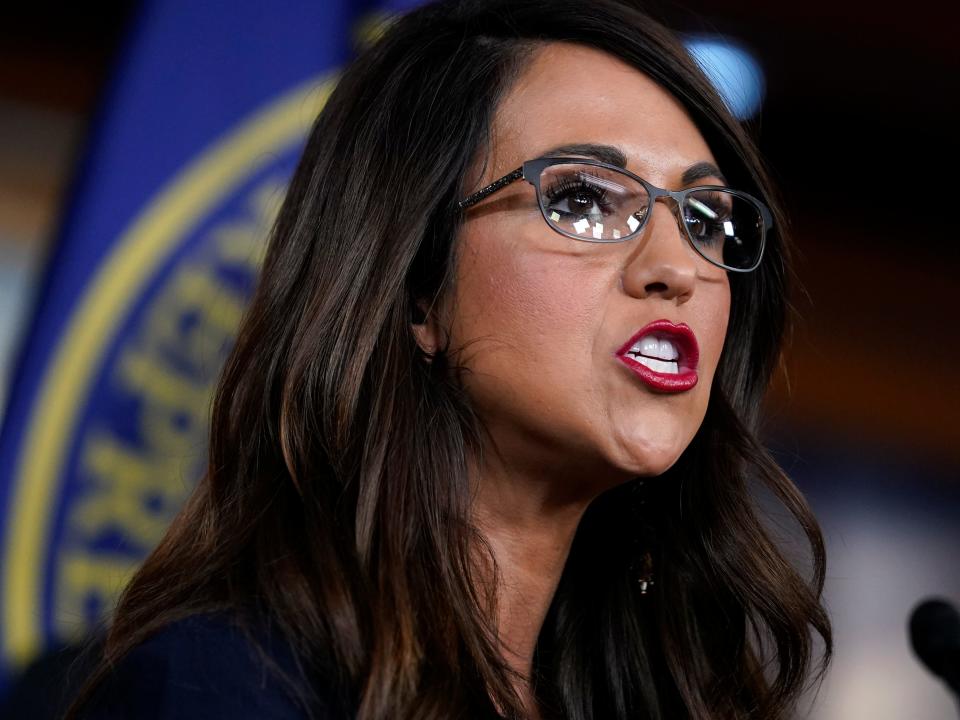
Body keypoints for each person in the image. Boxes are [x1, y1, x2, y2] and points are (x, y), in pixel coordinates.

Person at [65, 0, 832, 717]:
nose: (678, 266)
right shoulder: (220, 685)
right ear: (415, 291)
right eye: (585, 201)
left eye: (705, 218)